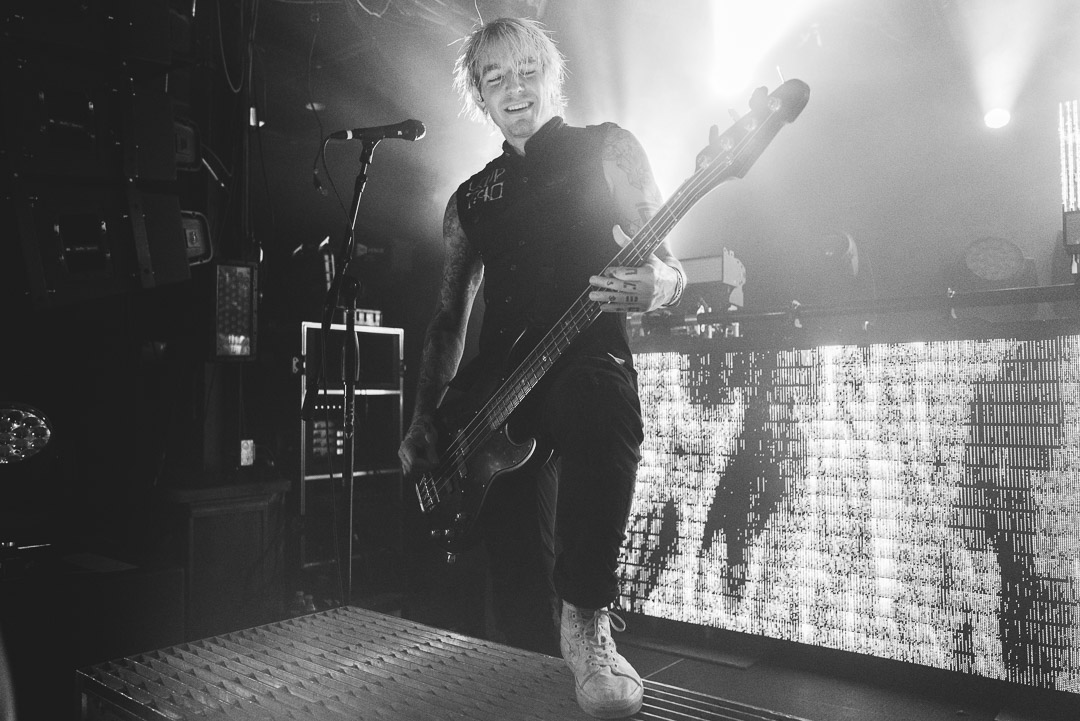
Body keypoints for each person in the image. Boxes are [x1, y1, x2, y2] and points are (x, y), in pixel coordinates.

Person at [398, 16, 684, 719]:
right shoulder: (470, 199)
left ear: (550, 76)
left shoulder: (609, 148)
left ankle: (587, 619)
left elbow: (668, 267)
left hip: (584, 356)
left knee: (601, 402)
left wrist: (660, 285)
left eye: (527, 71)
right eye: (495, 78)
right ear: (479, 95)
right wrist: (424, 417)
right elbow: (448, 320)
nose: (514, 89)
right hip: (493, 396)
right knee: (516, 589)